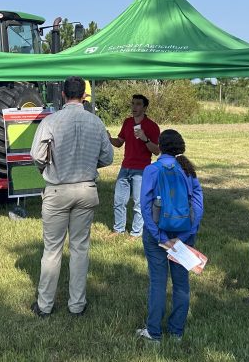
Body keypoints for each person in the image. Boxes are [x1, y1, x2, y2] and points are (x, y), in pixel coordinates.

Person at [29, 76, 113, 317]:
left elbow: (36, 154)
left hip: (57, 189)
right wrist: (88, 163)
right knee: (80, 248)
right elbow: (107, 158)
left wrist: (46, 167)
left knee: (52, 249)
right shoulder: (96, 122)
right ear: (84, 96)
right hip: (86, 189)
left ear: (63, 95)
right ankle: (77, 304)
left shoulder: (51, 121)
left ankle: (45, 305)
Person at [137, 129, 204, 342]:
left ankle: (154, 332)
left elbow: (145, 205)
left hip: (158, 234)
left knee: (158, 282)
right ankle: (176, 332)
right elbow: (198, 204)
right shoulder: (188, 170)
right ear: (180, 146)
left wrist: (158, 235)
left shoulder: (152, 170)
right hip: (184, 233)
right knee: (181, 282)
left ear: (160, 146)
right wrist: (187, 233)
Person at [107, 94, 160, 239]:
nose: (134, 107)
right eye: (132, 104)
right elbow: (119, 142)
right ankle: (118, 230)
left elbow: (156, 151)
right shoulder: (127, 122)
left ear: (144, 107)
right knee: (119, 201)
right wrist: (109, 138)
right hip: (125, 167)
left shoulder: (152, 126)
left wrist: (145, 138)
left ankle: (136, 233)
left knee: (138, 203)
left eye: (137, 104)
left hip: (142, 169)